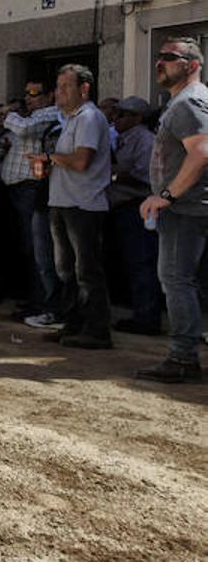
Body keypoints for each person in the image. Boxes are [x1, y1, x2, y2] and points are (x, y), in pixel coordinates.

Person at [136, 38, 208, 384]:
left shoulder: (189, 102)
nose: (159, 62)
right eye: (159, 57)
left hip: (186, 209)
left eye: (169, 58)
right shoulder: (186, 101)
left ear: (192, 65)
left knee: (176, 280)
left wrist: (166, 195)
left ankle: (182, 358)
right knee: (190, 282)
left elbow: (202, 152)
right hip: (191, 207)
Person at [30, 64, 112, 349]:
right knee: (67, 270)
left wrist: (51, 158)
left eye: (66, 86)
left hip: (83, 204)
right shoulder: (71, 120)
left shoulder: (89, 117)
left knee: (86, 270)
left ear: (84, 89)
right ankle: (74, 324)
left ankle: (97, 330)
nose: (59, 92)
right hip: (64, 201)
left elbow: (80, 161)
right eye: (59, 86)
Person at [1, 80, 65, 329]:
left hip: (31, 188)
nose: (29, 98)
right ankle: (34, 299)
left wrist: (9, 113)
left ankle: (45, 303)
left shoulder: (50, 113)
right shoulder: (30, 116)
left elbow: (26, 130)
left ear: (50, 95)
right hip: (18, 189)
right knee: (28, 250)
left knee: (40, 251)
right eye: (26, 93)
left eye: (35, 93)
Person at [107, 95, 160, 336]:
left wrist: (113, 173)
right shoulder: (121, 138)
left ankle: (147, 318)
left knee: (142, 263)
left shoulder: (145, 141)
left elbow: (145, 178)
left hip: (137, 207)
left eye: (122, 114)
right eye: (115, 113)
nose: (115, 118)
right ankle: (136, 310)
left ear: (137, 118)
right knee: (128, 263)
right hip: (119, 207)